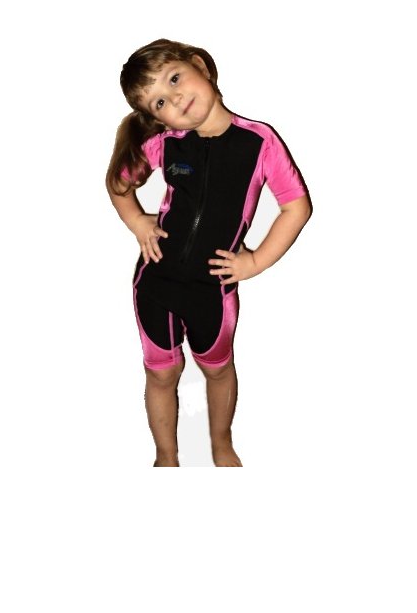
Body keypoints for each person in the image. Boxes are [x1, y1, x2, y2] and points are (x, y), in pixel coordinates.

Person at [106, 38, 312, 467]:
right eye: (160, 101)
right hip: (156, 283)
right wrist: (138, 222)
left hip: (212, 291)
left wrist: (255, 261)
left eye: (174, 78)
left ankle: (221, 442)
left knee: (217, 369)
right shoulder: (166, 144)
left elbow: (296, 206)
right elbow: (119, 185)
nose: (175, 98)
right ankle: (166, 456)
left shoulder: (259, 142)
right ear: (155, 117)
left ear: (200, 66)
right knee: (161, 373)